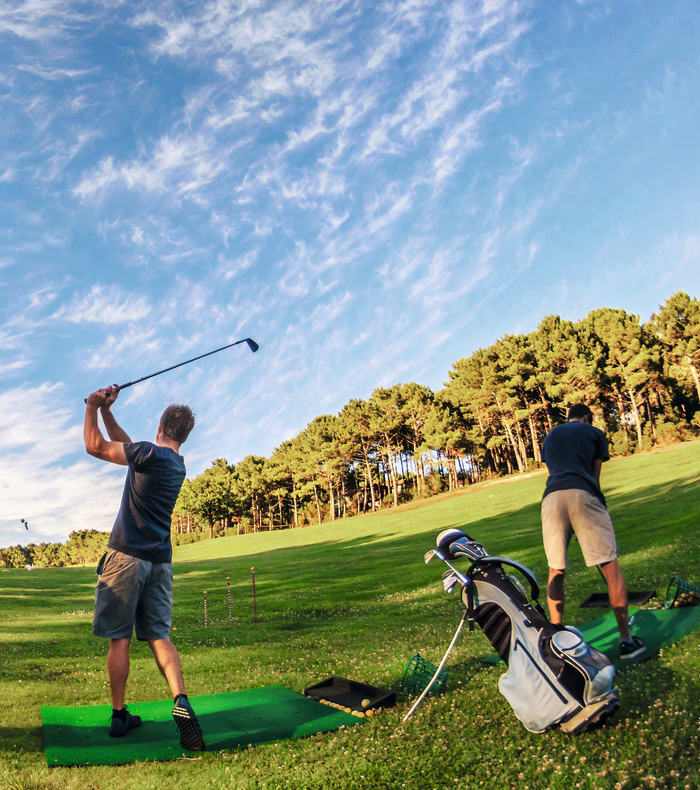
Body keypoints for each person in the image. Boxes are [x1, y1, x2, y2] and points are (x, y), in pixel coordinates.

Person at [84, 385, 206, 749]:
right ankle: (181, 700)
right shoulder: (173, 463)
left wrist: (91, 407)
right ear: (182, 435)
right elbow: (126, 443)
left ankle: (119, 715)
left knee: (118, 637)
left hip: (125, 559)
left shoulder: (148, 454)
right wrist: (108, 411)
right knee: (159, 636)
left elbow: (96, 446)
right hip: (159, 563)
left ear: (160, 426)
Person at [540, 403, 645, 661]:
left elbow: (554, 471)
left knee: (556, 570)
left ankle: (557, 639)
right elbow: (594, 477)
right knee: (610, 566)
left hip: (551, 499)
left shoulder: (552, 434)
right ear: (587, 418)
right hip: (583, 495)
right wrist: (600, 503)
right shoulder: (594, 433)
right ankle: (626, 641)